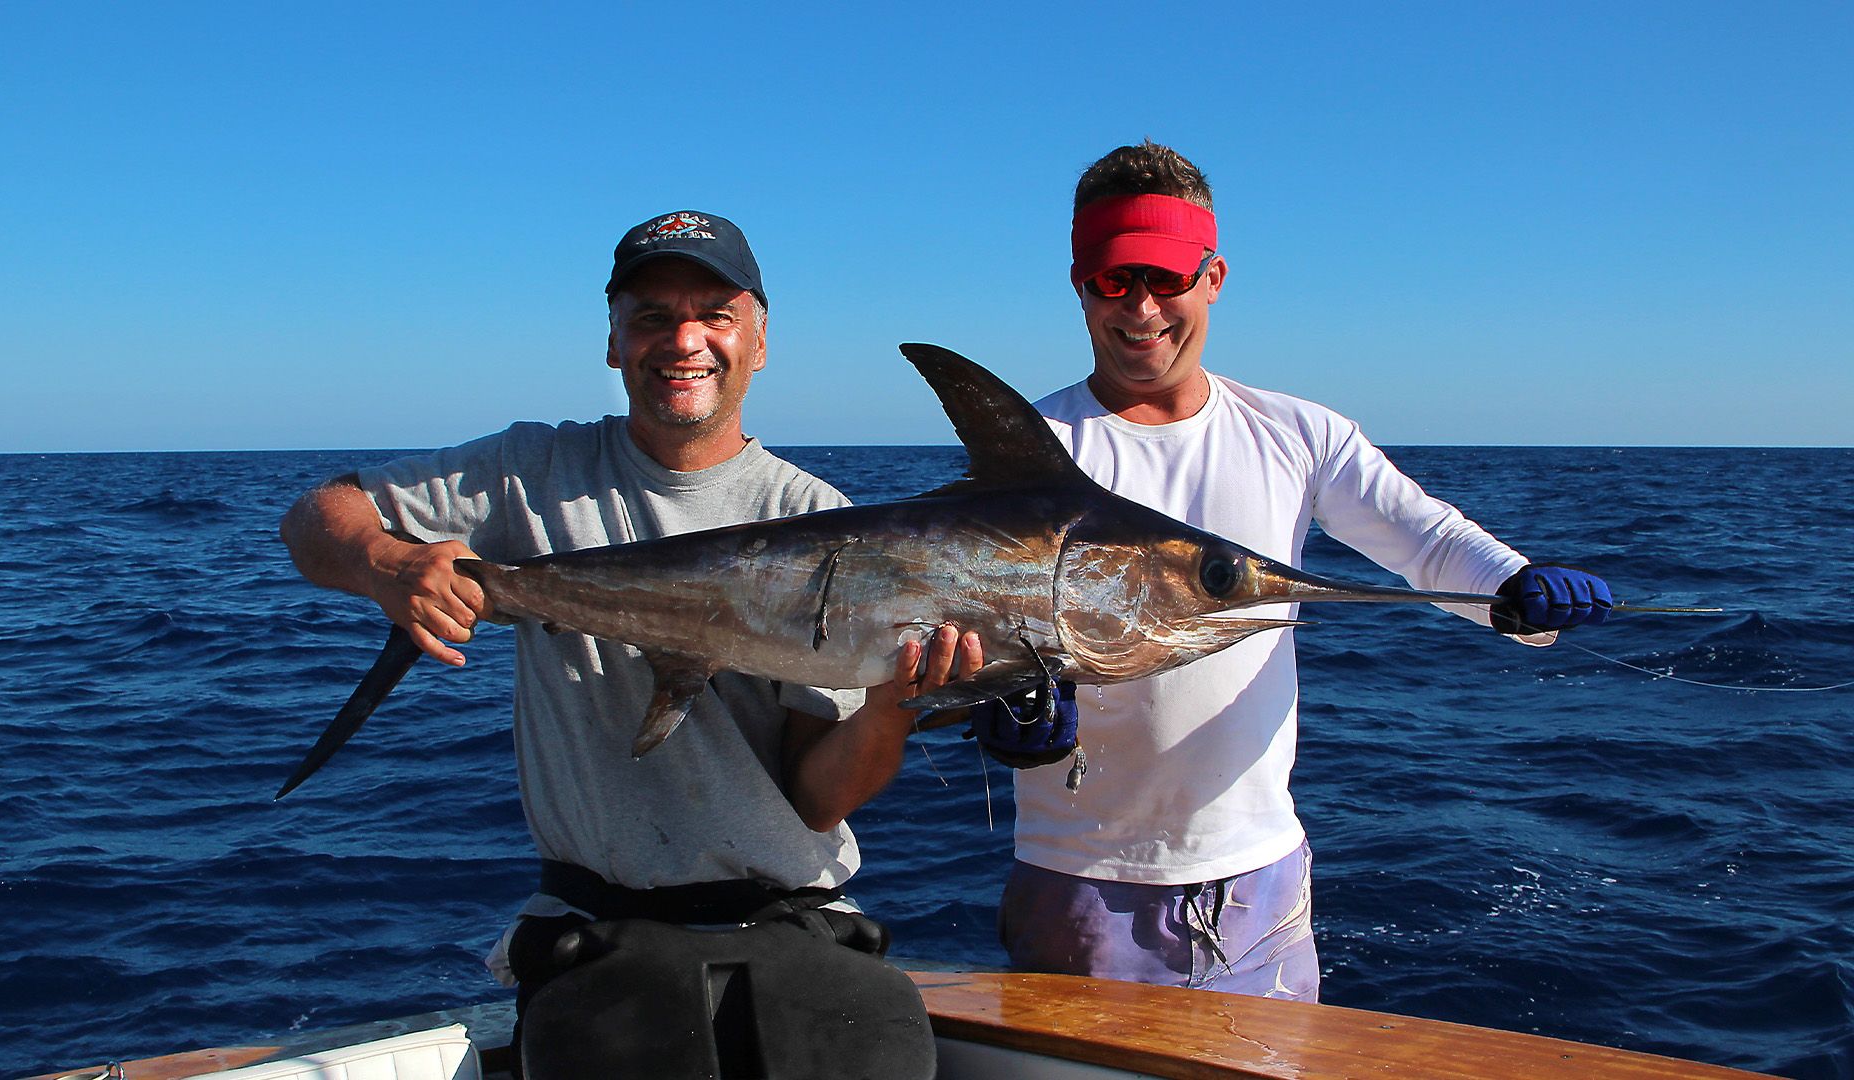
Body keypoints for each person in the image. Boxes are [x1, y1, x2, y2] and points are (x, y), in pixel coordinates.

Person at [279, 210, 977, 1067]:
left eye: (714, 315)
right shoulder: (530, 471)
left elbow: (816, 798)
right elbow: (318, 516)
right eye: (651, 316)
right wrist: (388, 563)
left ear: (760, 341)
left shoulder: (822, 520)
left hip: (798, 927)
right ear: (613, 341)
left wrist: (889, 710)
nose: (684, 341)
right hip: (595, 930)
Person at [972, 142, 1613, 1001]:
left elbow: (1424, 542)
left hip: (1257, 876)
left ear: (1214, 277)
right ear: (1081, 284)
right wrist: (996, 706)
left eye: (1165, 279)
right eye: (1113, 281)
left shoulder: (1302, 435)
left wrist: (1515, 590)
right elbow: (969, 622)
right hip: (1076, 876)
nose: (1142, 309)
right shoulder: (1034, 453)